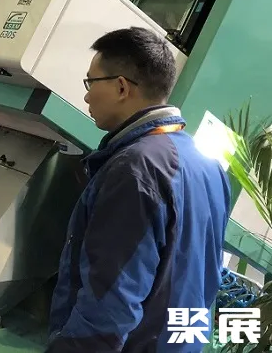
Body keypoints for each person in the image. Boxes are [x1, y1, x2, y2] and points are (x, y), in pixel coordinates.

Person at [46, 27, 231, 352]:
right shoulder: (208, 164)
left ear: (121, 87)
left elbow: (110, 301)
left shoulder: (136, 167)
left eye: (91, 82)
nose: (87, 96)